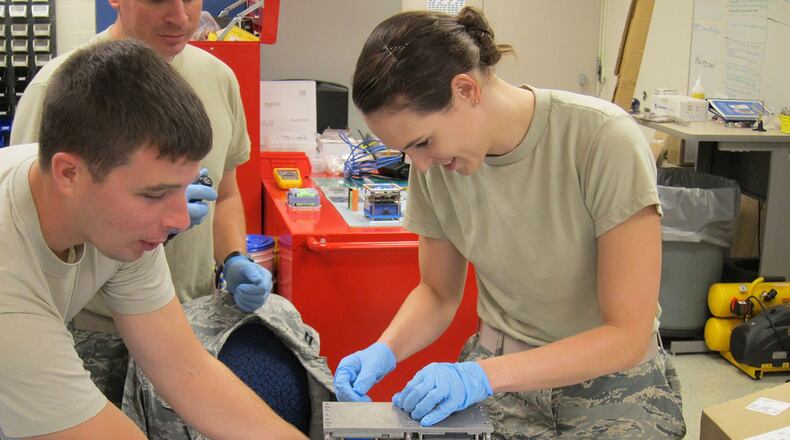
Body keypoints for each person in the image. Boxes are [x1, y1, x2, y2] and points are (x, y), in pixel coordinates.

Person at [334, 8, 685, 439]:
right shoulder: (435, 165)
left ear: (466, 90)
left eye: (423, 142)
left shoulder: (602, 139)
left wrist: (480, 377)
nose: (421, 165)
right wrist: (384, 351)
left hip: (615, 382)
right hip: (502, 375)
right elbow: (438, 293)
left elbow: (625, 334)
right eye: (408, 151)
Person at [0, 39, 305, 440]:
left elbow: (184, 369)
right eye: (154, 194)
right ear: (69, 174)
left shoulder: (114, 223)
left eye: (183, 189)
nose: (180, 218)